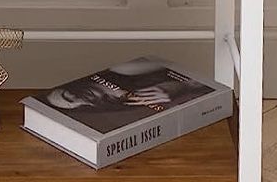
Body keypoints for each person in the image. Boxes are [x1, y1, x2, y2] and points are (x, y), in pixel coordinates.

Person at [40, 57, 212, 133]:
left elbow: (184, 61)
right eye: (72, 104)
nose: (77, 99)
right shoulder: (127, 104)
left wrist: (182, 85)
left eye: (68, 94)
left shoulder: (123, 71)